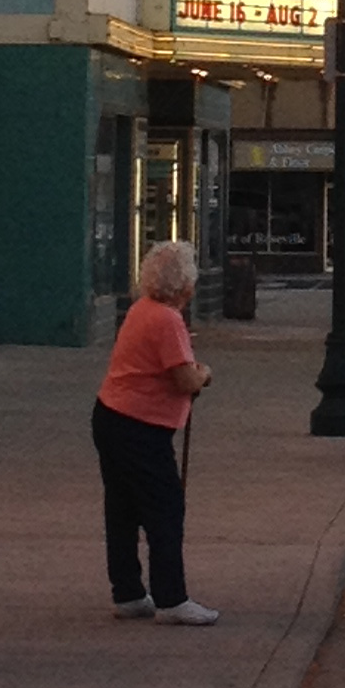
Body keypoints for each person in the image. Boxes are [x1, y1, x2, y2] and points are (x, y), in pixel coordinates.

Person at [93, 239, 218, 625]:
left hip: (113, 414)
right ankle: (171, 597)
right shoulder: (167, 320)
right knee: (165, 507)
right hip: (140, 425)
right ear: (185, 286)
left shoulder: (141, 309)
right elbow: (184, 379)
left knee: (123, 507)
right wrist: (204, 374)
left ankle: (128, 591)